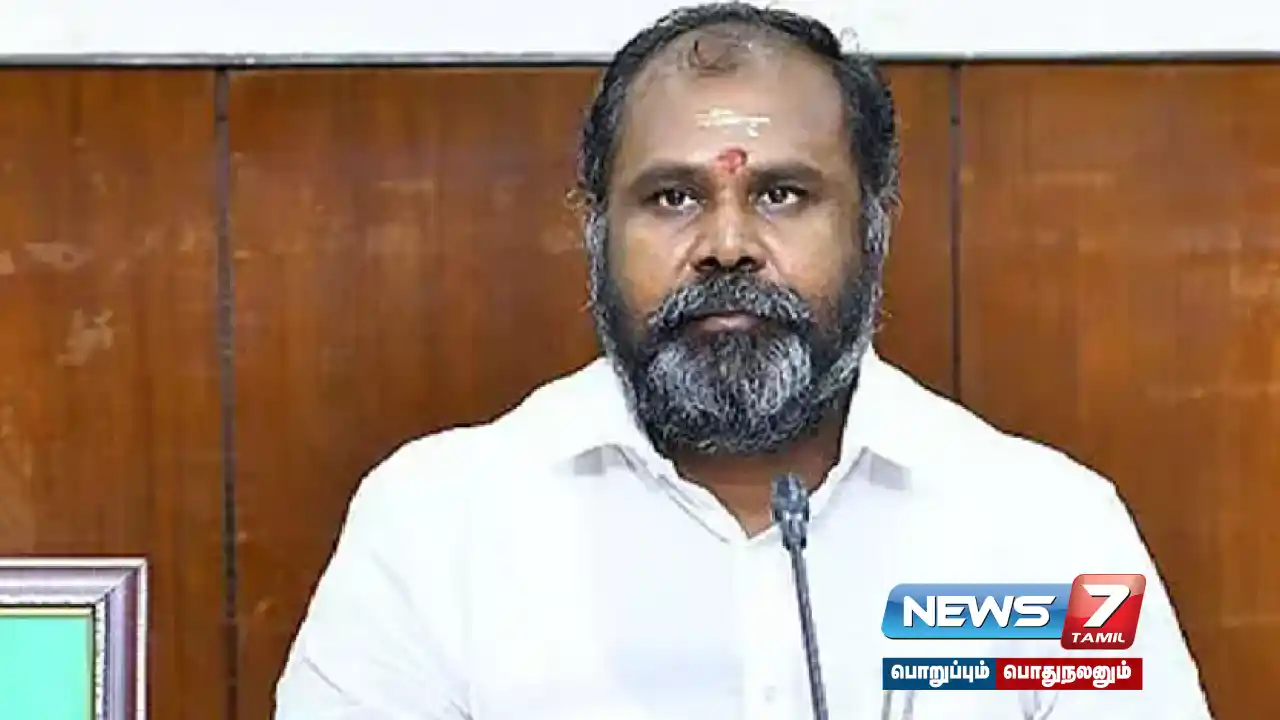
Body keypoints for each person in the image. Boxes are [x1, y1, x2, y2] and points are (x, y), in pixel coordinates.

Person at [274, 3, 1213, 718]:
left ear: (874, 226)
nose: (727, 246)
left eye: (783, 195)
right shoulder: (439, 525)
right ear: (595, 231)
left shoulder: (1042, 529)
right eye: (673, 198)